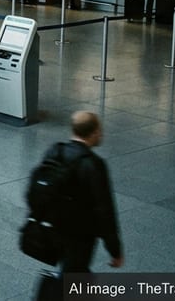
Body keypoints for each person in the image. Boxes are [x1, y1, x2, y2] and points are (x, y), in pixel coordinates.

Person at [44, 111, 123, 274]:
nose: (101, 134)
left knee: (73, 271)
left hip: (54, 227)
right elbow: (105, 211)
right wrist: (114, 249)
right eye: (99, 130)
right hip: (80, 235)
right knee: (75, 273)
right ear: (93, 133)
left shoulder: (55, 151)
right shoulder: (94, 164)